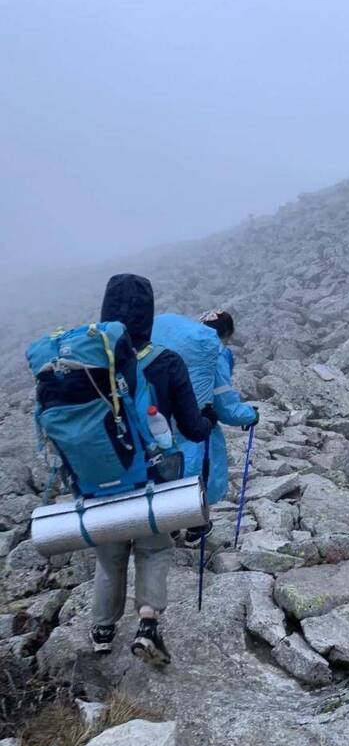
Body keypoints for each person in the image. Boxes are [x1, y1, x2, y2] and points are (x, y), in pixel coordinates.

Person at [91, 273, 218, 665]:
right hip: (152, 473)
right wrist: (209, 419)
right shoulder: (167, 361)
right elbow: (193, 428)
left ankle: (101, 632)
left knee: (110, 554)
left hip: (100, 476)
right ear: (149, 314)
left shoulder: (88, 360)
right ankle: (147, 625)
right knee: (154, 548)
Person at [182, 309, 259, 547]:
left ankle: (167, 524)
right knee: (200, 469)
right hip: (199, 422)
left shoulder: (177, 348)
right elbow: (225, 405)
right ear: (226, 335)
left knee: (171, 467)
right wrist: (250, 414)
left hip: (163, 420)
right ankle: (196, 526)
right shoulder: (216, 355)